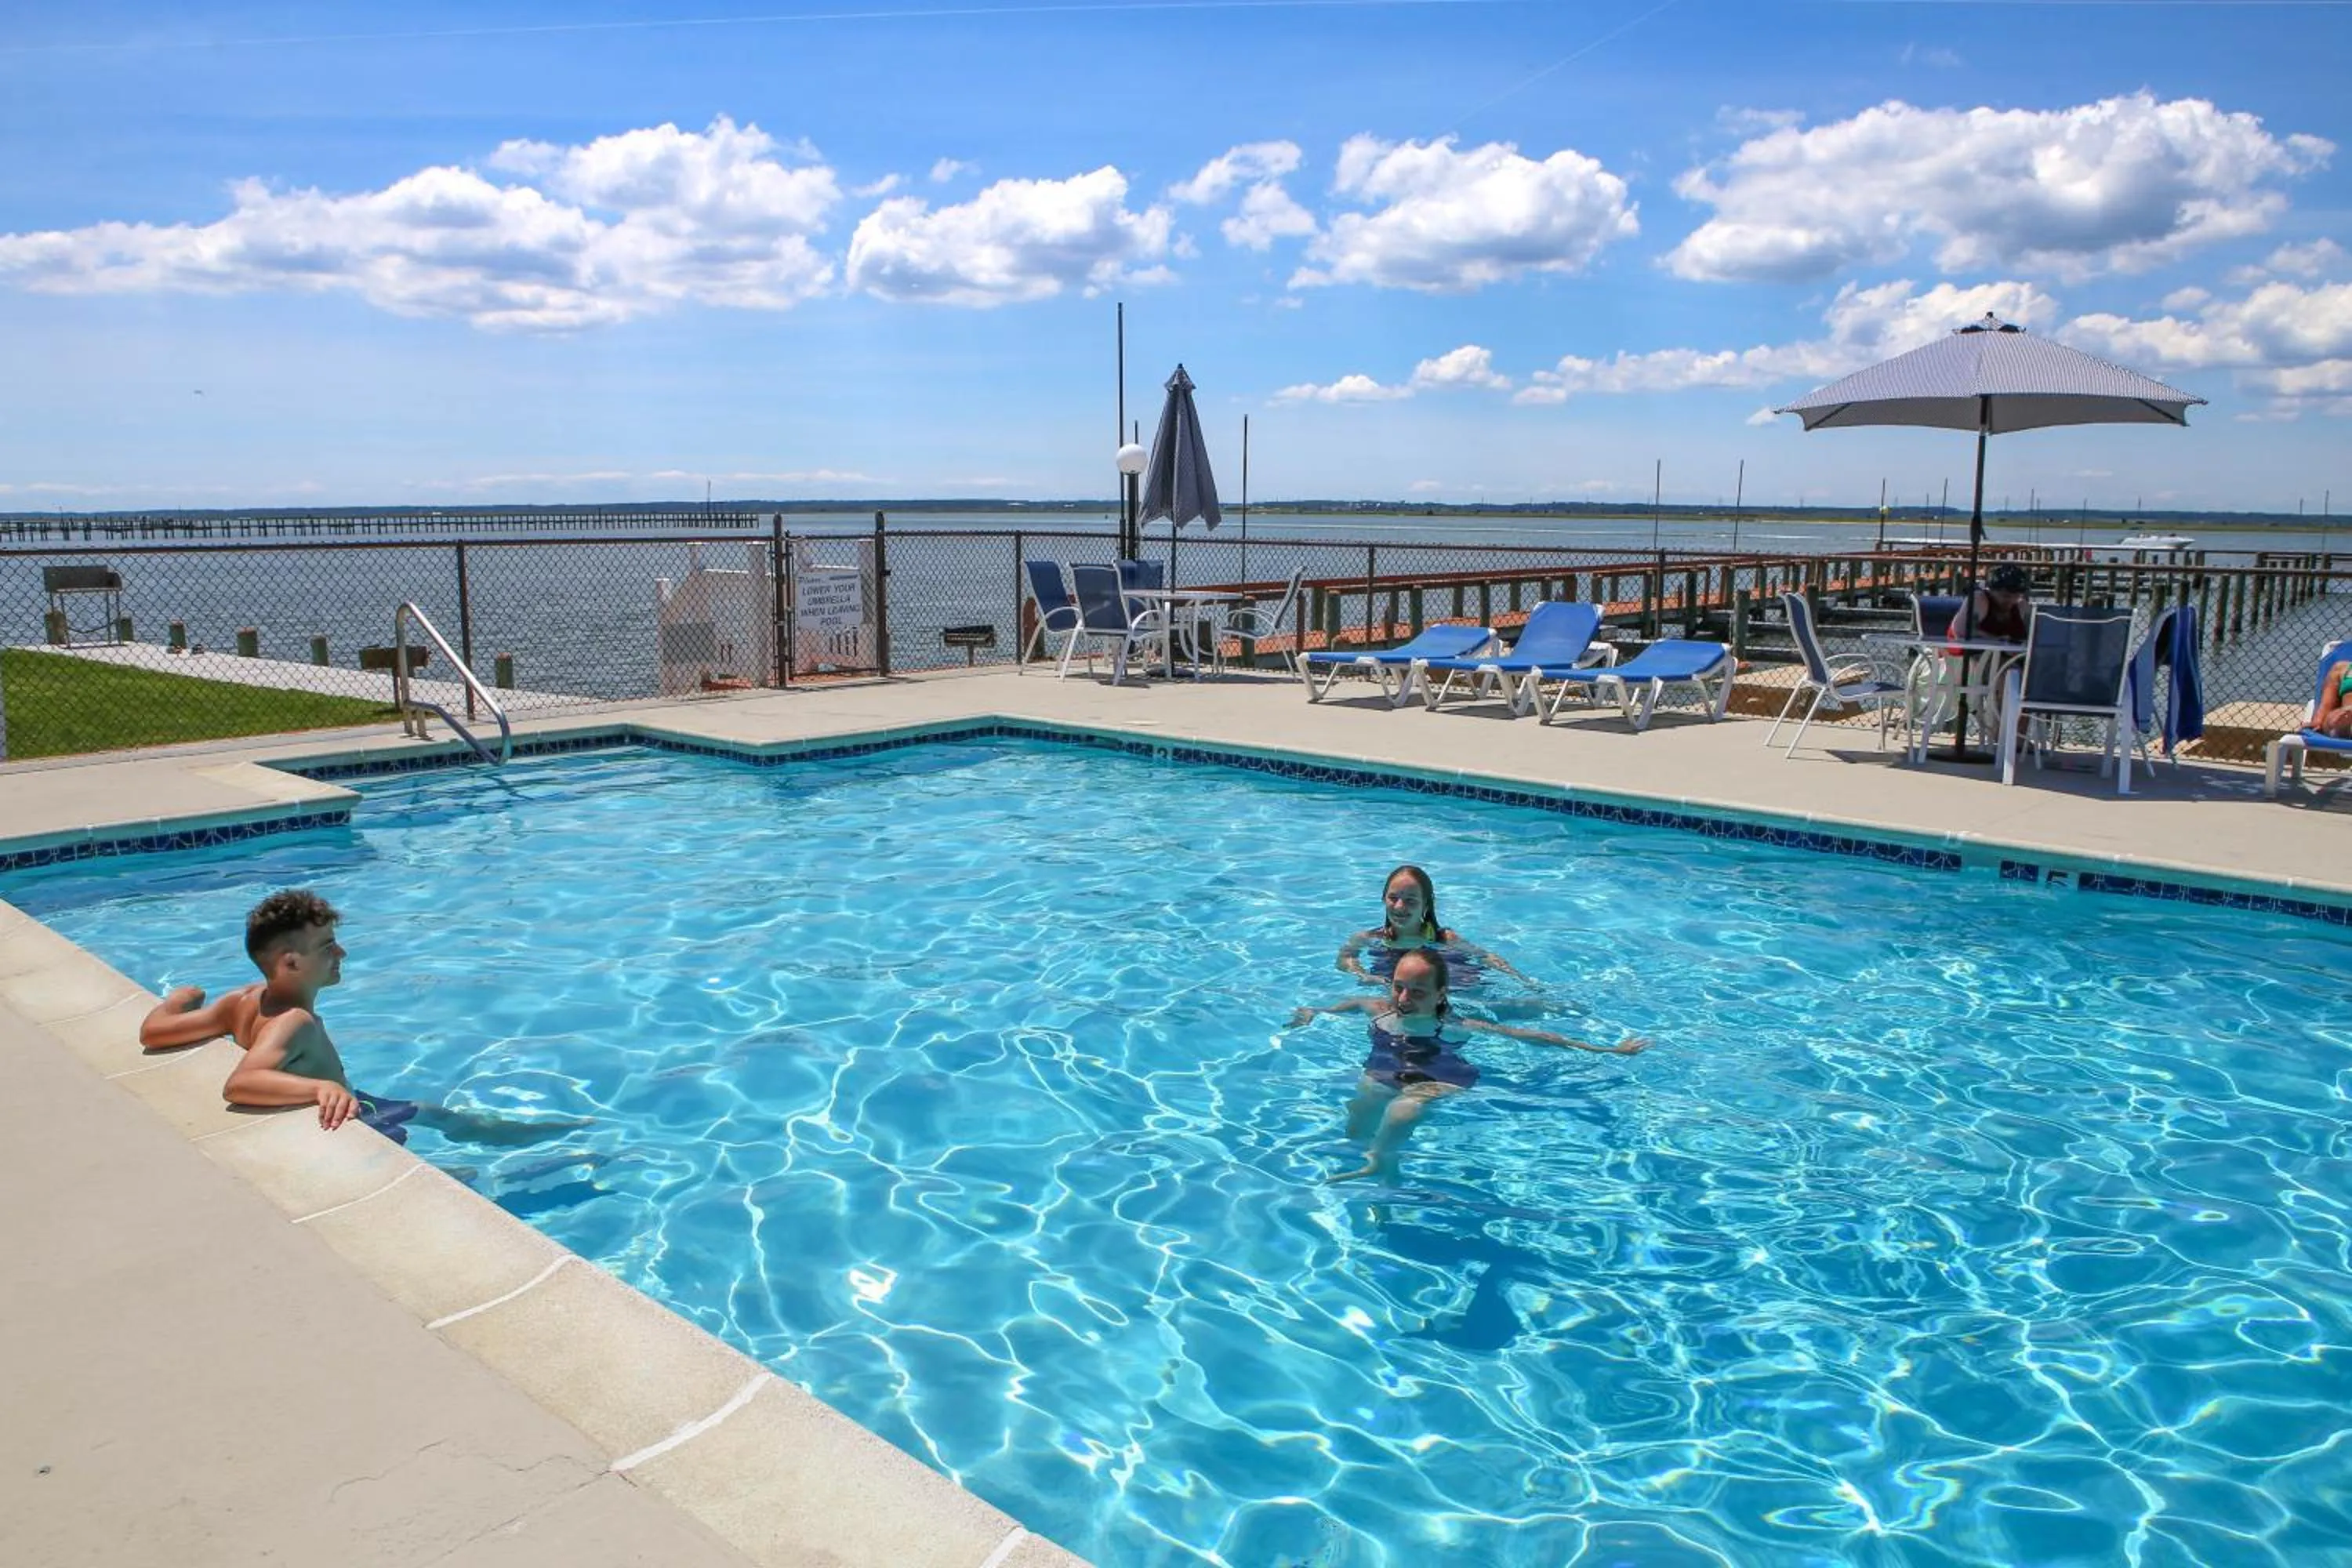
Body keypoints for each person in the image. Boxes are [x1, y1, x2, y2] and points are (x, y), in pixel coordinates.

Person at [138, 888, 584, 1146]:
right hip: (360, 1117)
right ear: (290, 964)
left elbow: (155, 1032)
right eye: (327, 947)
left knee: (436, 1114)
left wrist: (182, 998)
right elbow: (241, 1083)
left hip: (359, 1097)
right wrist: (321, 1086)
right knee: (458, 1166)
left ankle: (535, 1134)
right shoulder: (296, 1023)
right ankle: (548, 1140)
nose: (341, 953)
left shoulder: (242, 1001)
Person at [1289, 947, 1650, 1183]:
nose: (1403, 998)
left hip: (1440, 1077)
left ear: (1440, 994)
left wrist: (1608, 1050)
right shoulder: (1377, 1010)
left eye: (1417, 992)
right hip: (1388, 1069)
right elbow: (1343, 1005)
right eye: (1398, 987)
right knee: (1363, 1106)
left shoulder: (1455, 1027)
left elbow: (1530, 1036)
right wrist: (1312, 1013)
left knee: (1403, 1110)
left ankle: (1382, 1164)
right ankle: (1374, 1159)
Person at [1334, 864, 1533, 990]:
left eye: (1411, 901)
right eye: (1393, 898)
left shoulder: (1444, 939)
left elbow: (1486, 957)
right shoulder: (1370, 938)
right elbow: (1345, 958)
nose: (1400, 907)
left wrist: (1522, 980)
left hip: (1458, 987)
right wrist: (1363, 975)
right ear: (1383, 899)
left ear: (1426, 905)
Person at [1947, 561, 2032, 645]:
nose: (2008, 600)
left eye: (2015, 595)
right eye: (2004, 595)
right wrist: (1996, 641)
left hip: (2009, 654)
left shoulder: (2022, 606)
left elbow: (2034, 636)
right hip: (1970, 651)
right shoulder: (1980, 600)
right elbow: (1961, 632)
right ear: (1991, 591)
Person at [2314, 656, 2352, 739]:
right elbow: (2325, 708)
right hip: (2344, 717)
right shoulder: (2341, 668)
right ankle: (2342, 726)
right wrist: (2318, 722)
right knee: (2333, 718)